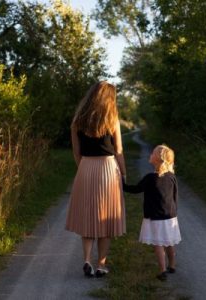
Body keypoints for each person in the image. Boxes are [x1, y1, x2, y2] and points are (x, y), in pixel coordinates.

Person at [65, 81, 127, 278]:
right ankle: (101, 264)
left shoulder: (77, 121)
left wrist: (83, 169)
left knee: (88, 217)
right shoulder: (112, 119)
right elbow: (118, 151)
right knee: (106, 219)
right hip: (108, 168)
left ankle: (86, 260)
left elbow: (76, 153)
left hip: (85, 167)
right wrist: (123, 173)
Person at [123, 144, 181, 281]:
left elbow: (136, 189)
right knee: (169, 242)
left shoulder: (150, 178)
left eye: (153, 153)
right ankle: (172, 265)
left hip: (155, 217)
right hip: (170, 216)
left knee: (158, 244)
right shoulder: (172, 177)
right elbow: (175, 196)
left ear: (158, 159)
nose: (150, 154)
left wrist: (121, 184)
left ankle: (162, 271)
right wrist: (173, 212)